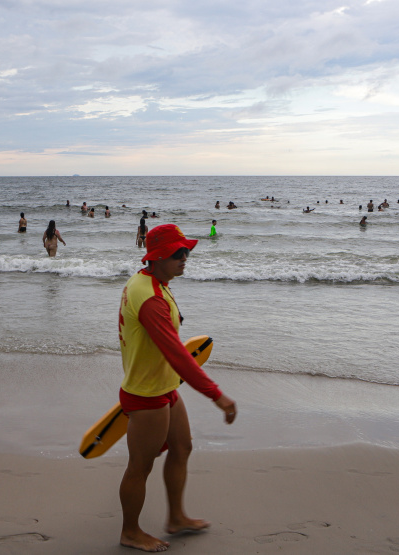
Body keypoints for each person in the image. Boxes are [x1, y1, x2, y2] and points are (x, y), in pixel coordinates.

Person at [117, 224, 236, 552]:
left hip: (164, 385)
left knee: (182, 448)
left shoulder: (151, 281)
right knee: (140, 468)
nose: (185, 257)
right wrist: (217, 395)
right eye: (177, 253)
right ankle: (130, 531)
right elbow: (179, 355)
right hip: (146, 394)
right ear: (156, 257)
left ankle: (176, 517)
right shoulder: (151, 299)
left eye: (186, 251)